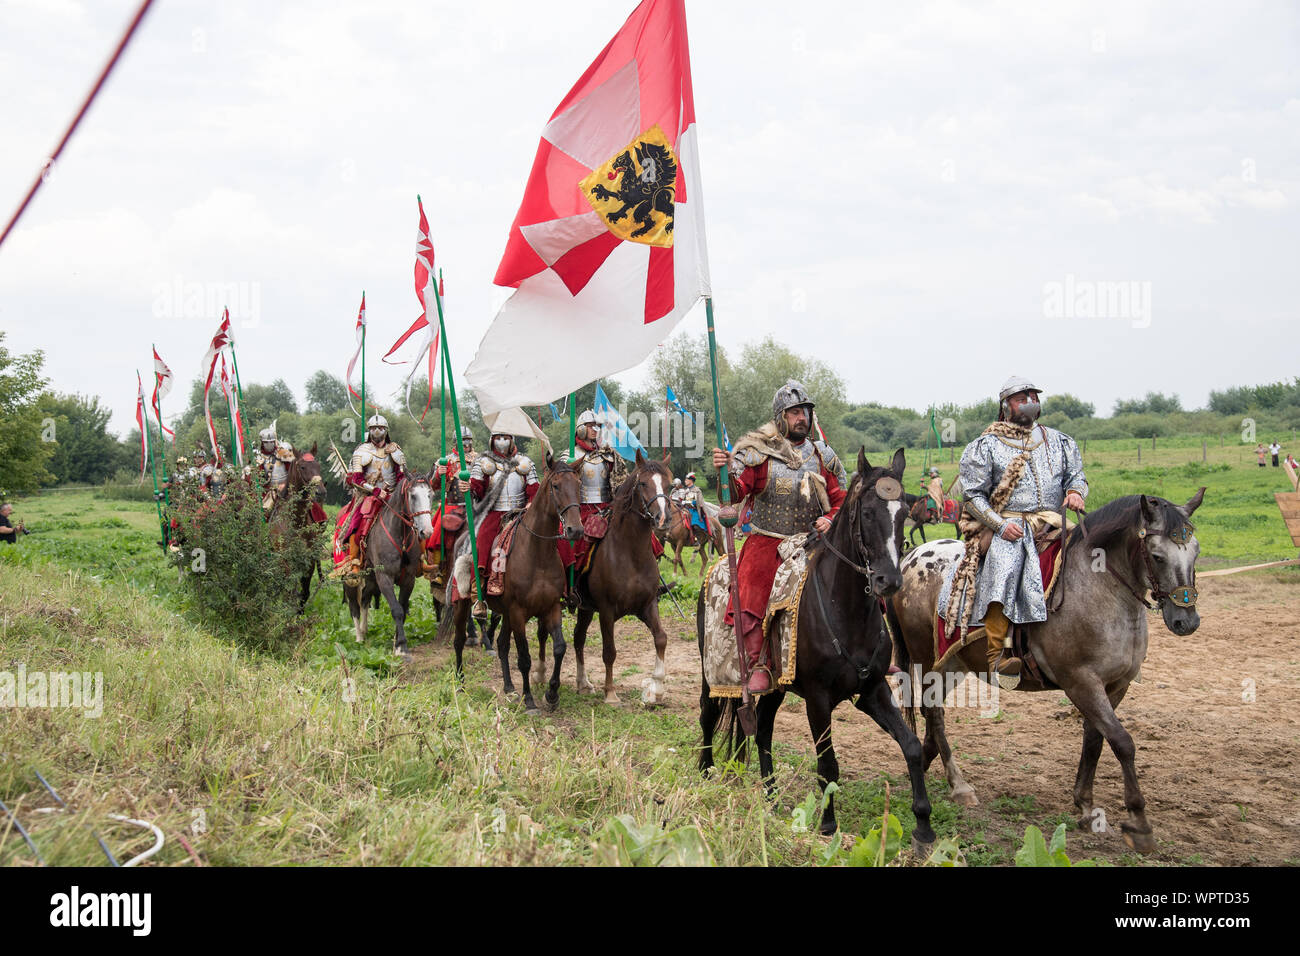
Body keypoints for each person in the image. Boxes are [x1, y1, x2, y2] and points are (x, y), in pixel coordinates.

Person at [947, 375, 1087, 689]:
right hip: (1008, 524)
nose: (1029, 401)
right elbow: (972, 496)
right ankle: (998, 655)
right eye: (1021, 396)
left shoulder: (1060, 441)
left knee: (1091, 556)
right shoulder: (985, 445)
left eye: (1033, 395)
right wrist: (999, 524)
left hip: (1054, 519)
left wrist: (1077, 492)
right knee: (1005, 567)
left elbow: (1076, 476)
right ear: (1006, 405)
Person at [711, 379, 847, 693]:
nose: (802, 418)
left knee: (857, 574)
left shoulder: (823, 455)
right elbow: (734, 494)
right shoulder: (758, 454)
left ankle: (872, 647)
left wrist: (829, 518)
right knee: (754, 584)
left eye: (805, 412)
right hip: (767, 540)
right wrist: (725, 471)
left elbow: (842, 500)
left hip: (813, 539)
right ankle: (760, 662)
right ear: (780, 418)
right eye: (794, 412)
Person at [463, 430, 539, 618]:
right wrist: (469, 487)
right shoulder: (483, 462)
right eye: (498, 437)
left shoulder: (525, 462)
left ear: (512, 439)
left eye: (506, 437)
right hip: (494, 513)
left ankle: (557, 588)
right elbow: (478, 491)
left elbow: (534, 490)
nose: (502, 441)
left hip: (521, 513)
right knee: (481, 545)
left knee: (553, 539)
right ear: (492, 440)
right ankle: (478, 596)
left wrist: (530, 503)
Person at [337, 414, 406, 586]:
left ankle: (418, 559)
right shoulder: (362, 451)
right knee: (359, 519)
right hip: (368, 495)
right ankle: (355, 562)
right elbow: (356, 479)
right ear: (369, 431)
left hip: (392, 495)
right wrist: (374, 490)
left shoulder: (395, 451)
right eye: (374, 428)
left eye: (380, 428)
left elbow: (401, 476)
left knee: (413, 517)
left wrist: (396, 492)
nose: (377, 431)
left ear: (386, 430)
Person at [425, 425, 478, 584]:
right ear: (456, 442)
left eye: (468, 441)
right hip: (453, 505)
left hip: (476, 504)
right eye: (463, 441)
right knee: (438, 532)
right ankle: (439, 570)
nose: (466, 444)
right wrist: (438, 474)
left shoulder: (480, 460)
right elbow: (432, 486)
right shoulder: (445, 460)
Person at [255, 422, 296, 509]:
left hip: (286, 488)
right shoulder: (258, 458)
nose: (269, 445)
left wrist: (286, 484)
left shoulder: (282, 453)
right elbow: (257, 479)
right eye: (266, 442)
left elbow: (293, 471)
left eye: (271, 442)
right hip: (268, 491)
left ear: (275, 442)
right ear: (262, 443)